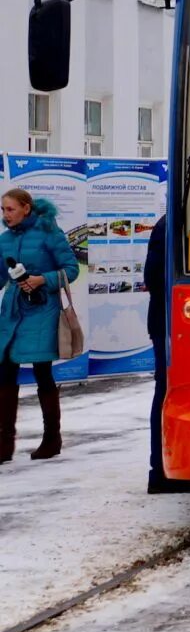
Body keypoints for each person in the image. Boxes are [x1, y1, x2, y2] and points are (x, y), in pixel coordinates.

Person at [0, 188, 79, 463]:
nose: (5, 215)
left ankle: (52, 438)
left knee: (41, 371)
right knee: (5, 371)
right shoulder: (4, 240)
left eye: (10, 209)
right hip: (12, 312)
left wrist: (41, 279)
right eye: (3, 210)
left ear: (26, 208)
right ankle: (4, 443)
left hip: (42, 309)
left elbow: (71, 269)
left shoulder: (49, 233)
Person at [144, 213, 190, 494]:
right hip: (170, 323)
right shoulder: (171, 224)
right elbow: (154, 276)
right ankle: (161, 470)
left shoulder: (181, 221)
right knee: (169, 392)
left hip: (180, 322)